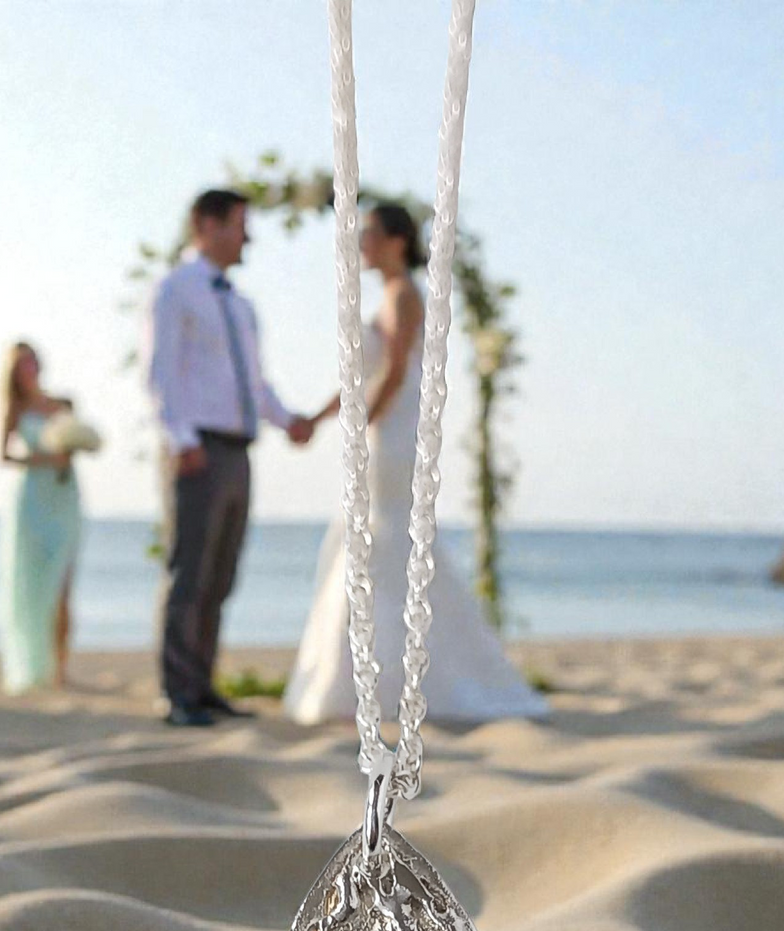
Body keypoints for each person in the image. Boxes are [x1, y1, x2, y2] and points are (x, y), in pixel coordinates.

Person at [284, 204, 547, 724]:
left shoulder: (405, 296)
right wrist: (318, 418)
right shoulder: (384, 296)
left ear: (399, 242)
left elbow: (396, 374)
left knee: (388, 544)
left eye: (372, 235)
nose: (362, 244)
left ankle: (404, 679)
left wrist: (360, 426)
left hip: (394, 438)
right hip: (380, 429)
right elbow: (361, 379)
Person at [144, 188, 314, 727]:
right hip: (198, 450)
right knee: (189, 572)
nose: (249, 238)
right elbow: (160, 374)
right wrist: (182, 439)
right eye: (241, 225)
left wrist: (288, 420)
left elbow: (255, 384)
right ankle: (177, 694)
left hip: (239, 451)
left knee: (221, 574)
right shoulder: (175, 290)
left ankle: (203, 683)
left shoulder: (240, 305)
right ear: (207, 224)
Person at [0, 342, 83, 693]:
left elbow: (78, 443)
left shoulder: (64, 404)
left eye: (32, 361)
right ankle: (33, 666)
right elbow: (3, 455)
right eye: (22, 364)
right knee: (31, 584)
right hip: (31, 499)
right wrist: (46, 461)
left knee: (62, 585)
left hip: (64, 497)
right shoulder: (14, 409)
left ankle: (61, 669)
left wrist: (71, 450)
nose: (29, 369)